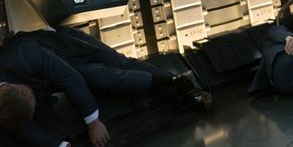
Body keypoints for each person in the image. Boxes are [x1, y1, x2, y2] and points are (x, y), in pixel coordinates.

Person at [0, 26, 210, 147]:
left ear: (24, 91)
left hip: (69, 47)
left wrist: (93, 123)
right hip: (52, 77)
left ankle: (180, 83)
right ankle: (169, 86)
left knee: (118, 63)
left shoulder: (24, 54)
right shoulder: (8, 104)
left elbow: (70, 79)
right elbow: (22, 128)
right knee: (99, 77)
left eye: (33, 104)